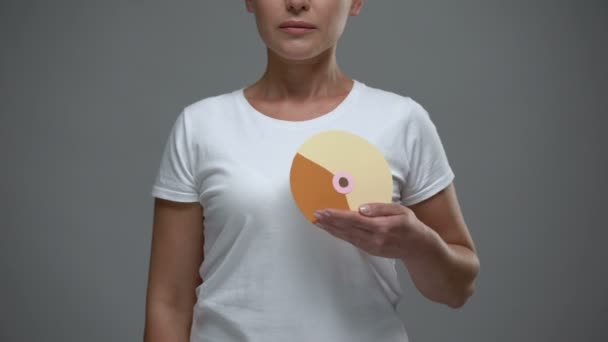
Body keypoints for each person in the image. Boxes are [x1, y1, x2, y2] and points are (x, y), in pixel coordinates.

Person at [144, 0, 480, 341]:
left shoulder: (401, 120)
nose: (297, 3)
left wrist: (417, 245)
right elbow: (169, 303)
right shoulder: (200, 126)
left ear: (356, 3)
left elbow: (458, 289)